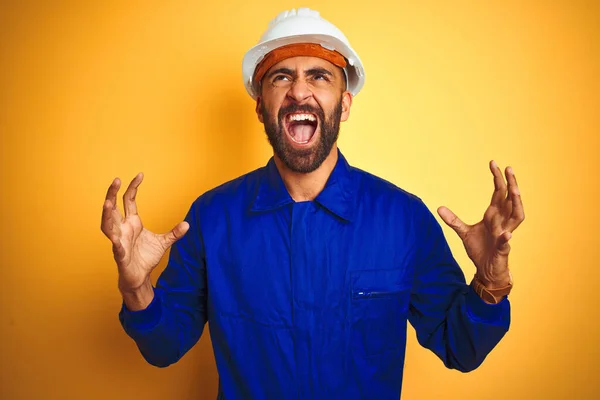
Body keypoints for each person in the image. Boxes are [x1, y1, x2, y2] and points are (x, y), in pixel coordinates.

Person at [101, 8, 524, 399]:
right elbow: (164, 347)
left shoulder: (403, 219)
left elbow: (461, 348)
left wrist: (491, 282)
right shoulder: (212, 218)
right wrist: (137, 287)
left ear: (344, 104)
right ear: (261, 107)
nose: (298, 91)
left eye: (319, 76)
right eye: (280, 77)